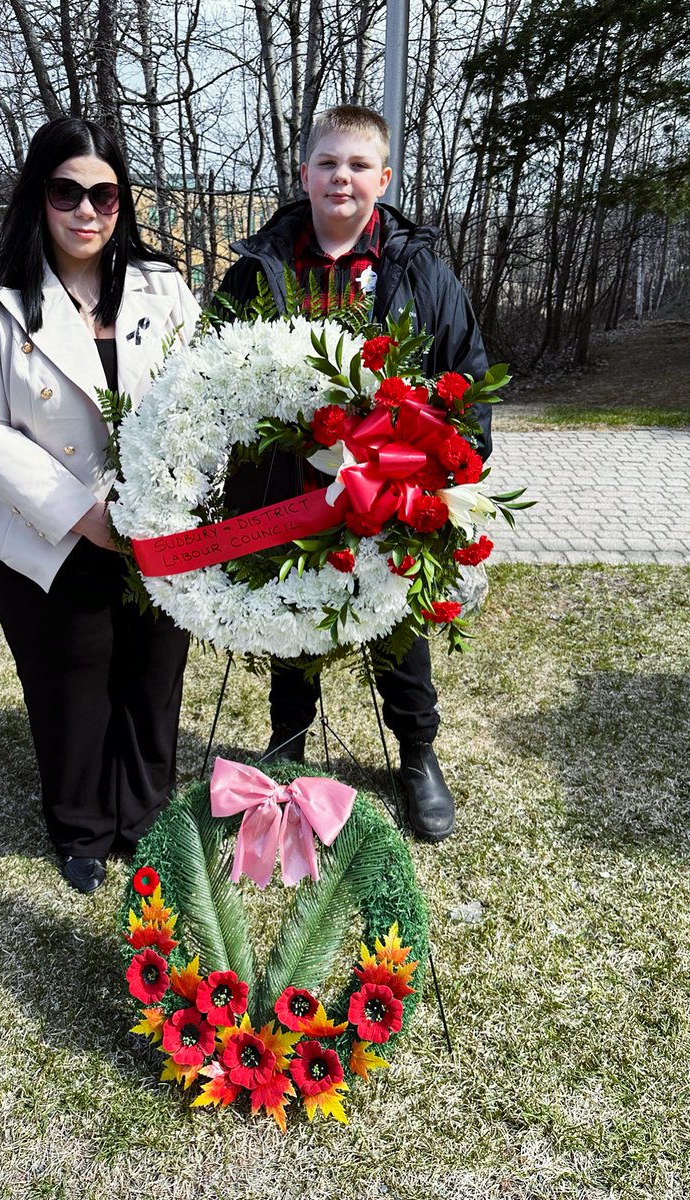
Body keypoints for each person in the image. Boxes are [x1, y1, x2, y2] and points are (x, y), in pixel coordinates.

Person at [0, 116, 200, 892]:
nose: (87, 211)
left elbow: (201, 396)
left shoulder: (162, 284)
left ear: (123, 202)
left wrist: (170, 503)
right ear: (37, 195)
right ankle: (80, 825)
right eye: (67, 191)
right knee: (71, 677)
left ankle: (145, 817)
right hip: (41, 526)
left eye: (105, 194)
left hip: (155, 524)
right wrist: (88, 517)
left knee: (154, 671)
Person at [218, 105, 492, 843]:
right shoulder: (257, 273)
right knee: (295, 625)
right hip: (291, 494)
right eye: (329, 163)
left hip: (391, 497)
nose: (343, 177)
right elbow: (211, 380)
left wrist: (450, 468)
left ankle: (417, 751)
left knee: (399, 629)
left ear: (384, 178)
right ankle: (288, 745)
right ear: (304, 174)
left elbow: (465, 377)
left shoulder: (420, 272)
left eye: (359, 165)